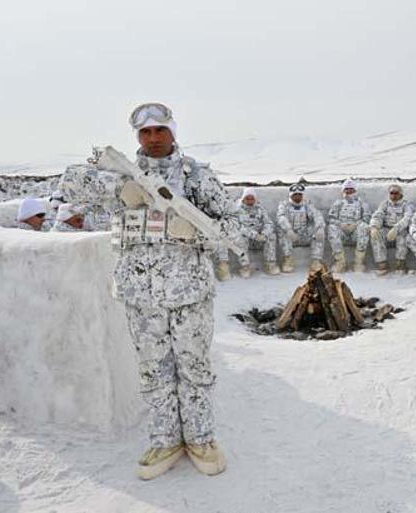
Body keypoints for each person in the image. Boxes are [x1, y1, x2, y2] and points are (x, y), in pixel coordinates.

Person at [57, 102, 235, 479]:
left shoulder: (197, 177)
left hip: (189, 294)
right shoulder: (119, 171)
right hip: (140, 295)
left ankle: (201, 438)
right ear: (137, 136)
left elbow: (236, 229)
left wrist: (199, 233)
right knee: (154, 370)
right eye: (145, 132)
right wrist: (123, 188)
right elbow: (69, 182)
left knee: (194, 367)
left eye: (160, 130)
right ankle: (165, 439)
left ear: (173, 131)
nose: (153, 139)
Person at [216, 187, 280, 279]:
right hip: (246, 239)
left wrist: (264, 234)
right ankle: (245, 266)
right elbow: (237, 226)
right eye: (247, 198)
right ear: (243, 198)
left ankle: (270, 263)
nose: (250, 200)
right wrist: (254, 235)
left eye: (252, 198)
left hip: (259, 238)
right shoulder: (236, 210)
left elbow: (269, 223)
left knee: (271, 236)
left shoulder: (260, 209)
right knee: (239, 237)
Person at [276, 183, 326, 273]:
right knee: (281, 231)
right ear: (291, 195)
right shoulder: (284, 205)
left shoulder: (307, 204)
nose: (297, 197)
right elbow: (281, 217)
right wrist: (289, 230)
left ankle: (316, 261)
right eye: (295, 194)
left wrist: (320, 227)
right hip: (291, 235)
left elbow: (316, 214)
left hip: (304, 234)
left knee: (318, 231)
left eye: (300, 194)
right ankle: (288, 260)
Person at [369, 184, 415, 276]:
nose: (394, 195)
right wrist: (374, 227)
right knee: (377, 235)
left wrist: (396, 228)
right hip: (386, 228)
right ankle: (381, 263)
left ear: (400, 194)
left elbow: (408, 218)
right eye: (391, 193)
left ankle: (400, 263)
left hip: (400, 229)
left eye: (396, 193)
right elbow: (378, 215)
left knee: (403, 237)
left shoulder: (407, 205)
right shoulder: (385, 204)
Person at [327, 179, 372, 273]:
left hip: (356, 231)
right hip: (341, 230)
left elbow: (367, 218)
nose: (348, 191)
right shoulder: (338, 203)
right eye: (346, 189)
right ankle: (340, 262)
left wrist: (356, 225)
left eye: (351, 189)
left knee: (364, 227)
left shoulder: (362, 204)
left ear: (355, 190)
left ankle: (358, 262)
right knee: (331, 228)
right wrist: (340, 224)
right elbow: (331, 218)